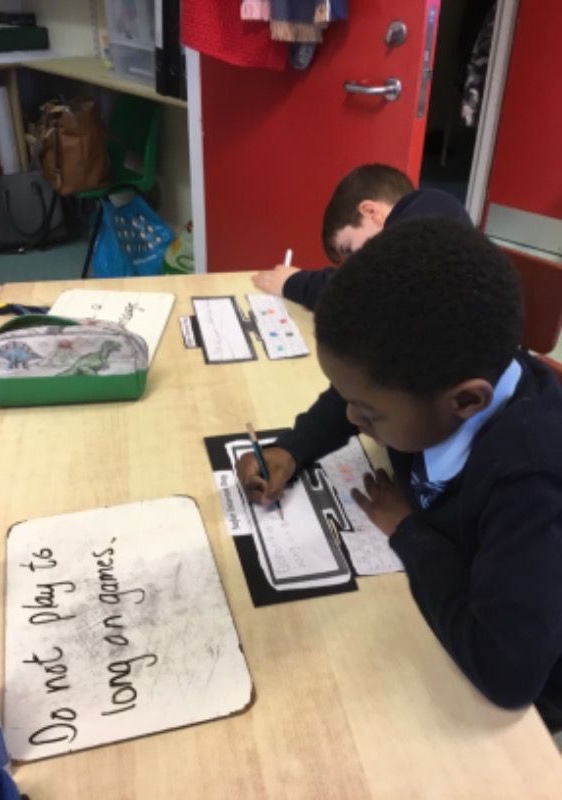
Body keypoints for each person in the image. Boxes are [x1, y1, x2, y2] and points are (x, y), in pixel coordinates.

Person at [238, 217, 562, 728]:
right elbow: (356, 391)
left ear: (466, 402)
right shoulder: (432, 382)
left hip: (522, 697)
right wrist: (293, 449)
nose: (352, 419)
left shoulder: (530, 481)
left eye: (369, 415)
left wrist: (409, 531)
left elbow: (507, 671)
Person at [251, 163, 471, 310]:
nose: (355, 264)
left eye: (350, 249)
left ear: (370, 212)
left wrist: (291, 282)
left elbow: (365, 286)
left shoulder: (432, 204)